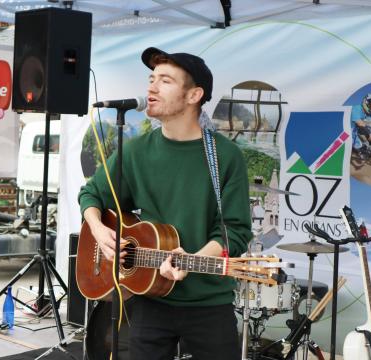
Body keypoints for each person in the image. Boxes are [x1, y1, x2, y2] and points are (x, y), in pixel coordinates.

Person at [78, 48, 252, 360]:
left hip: (208, 304)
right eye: (151, 79)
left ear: (193, 95)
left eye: (165, 81)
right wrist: (99, 230)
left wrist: (191, 260)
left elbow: (234, 232)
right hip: (149, 300)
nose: (152, 88)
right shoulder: (136, 151)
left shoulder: (224, 156)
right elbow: (92, 194)